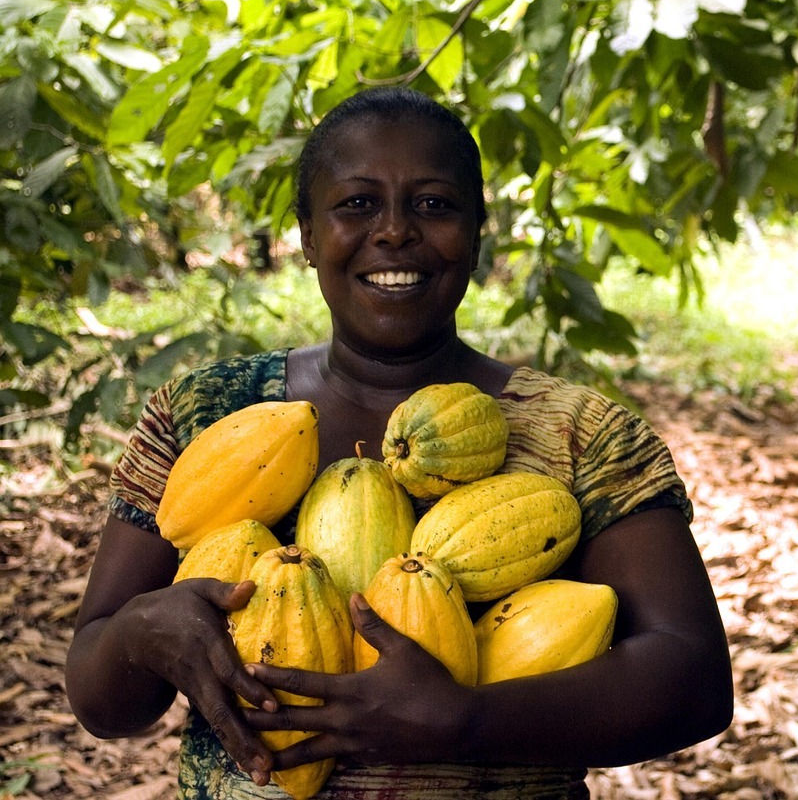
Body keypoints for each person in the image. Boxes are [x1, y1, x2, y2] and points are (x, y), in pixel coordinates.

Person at [65, 86, 735, 799]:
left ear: (477, 230)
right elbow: (101, 698)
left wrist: (467, 719)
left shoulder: (582, 434)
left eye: (434, 204)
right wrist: (141, 632)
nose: (394, 232)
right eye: (357, 204)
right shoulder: (204, 413)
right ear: (307, 234)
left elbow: (693, 680)